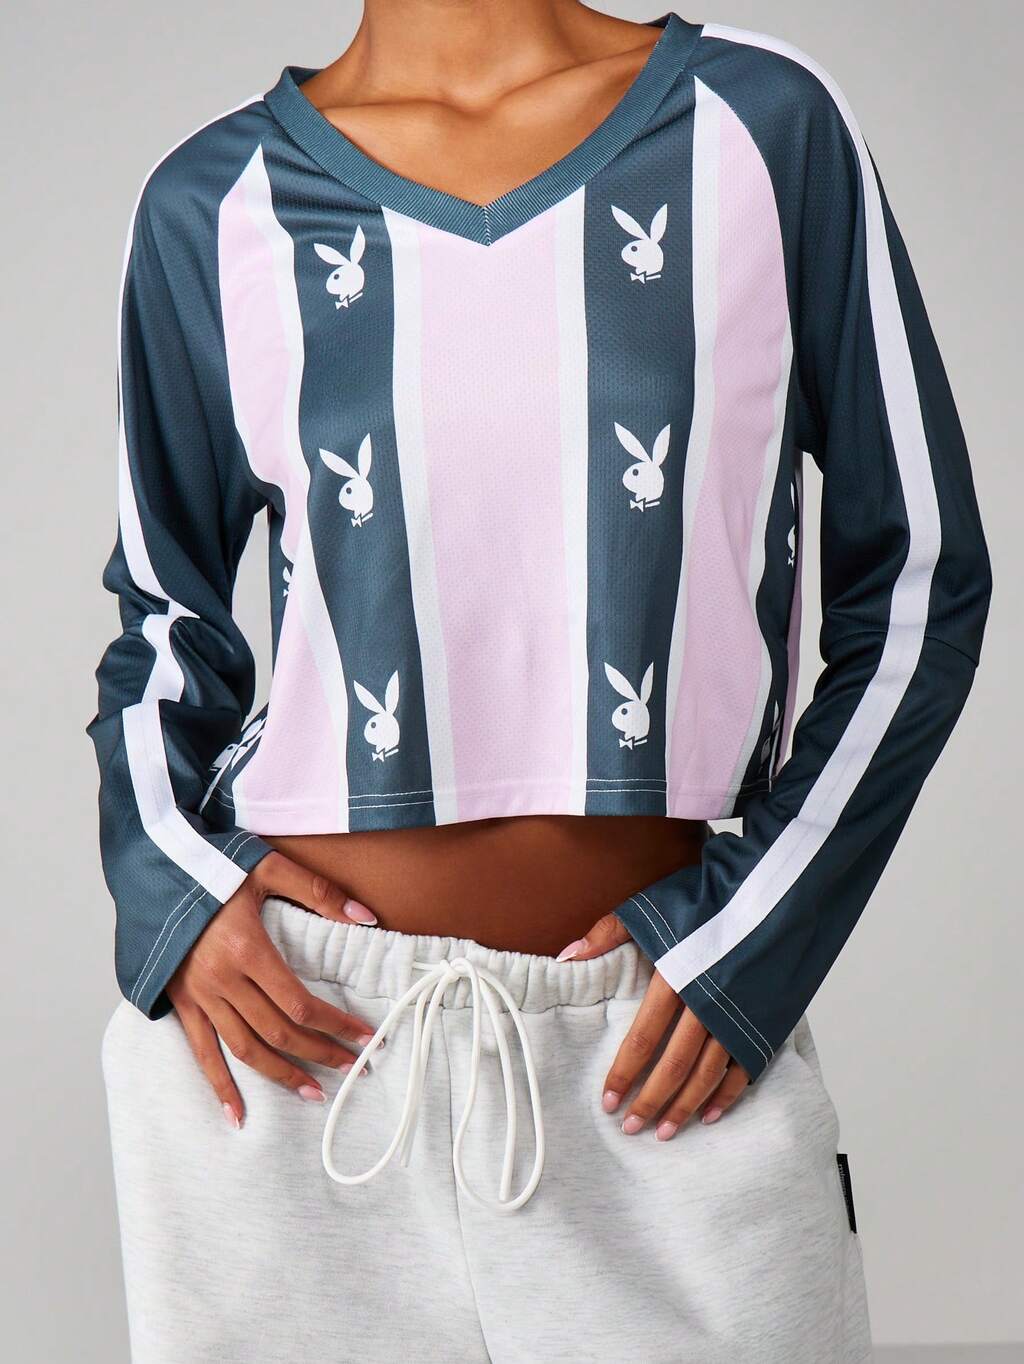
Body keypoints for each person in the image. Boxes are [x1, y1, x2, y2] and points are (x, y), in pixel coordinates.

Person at [88, 3, 992, 1360]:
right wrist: (181, 899)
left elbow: (920, 578)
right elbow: (164, 619)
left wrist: (754, 940)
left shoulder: (761, 127)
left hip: (659, 1056)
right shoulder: (213, 201)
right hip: (292, 1066)